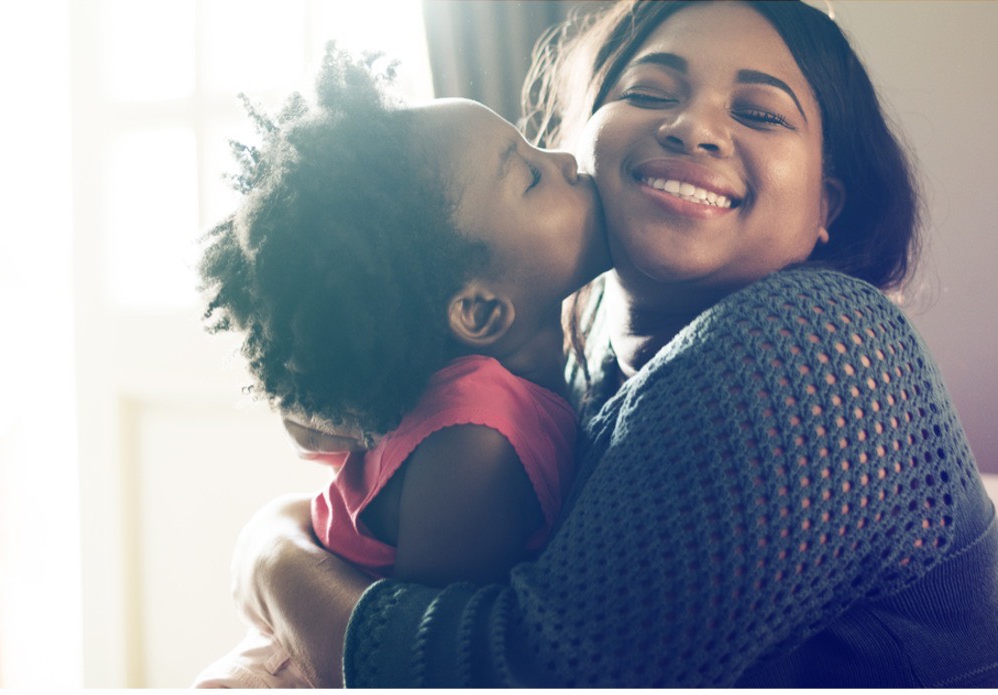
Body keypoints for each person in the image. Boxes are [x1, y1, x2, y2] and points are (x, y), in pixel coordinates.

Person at [226, 0, 998, 688]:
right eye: (650, 92)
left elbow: (523, 676)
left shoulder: (815, 344)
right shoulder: (579, 357)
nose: (693, 126)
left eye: (761, 113)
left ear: (826, 204)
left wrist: (271, 556)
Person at [190, 45, 609, 688]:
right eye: (529, 176)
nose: (566, 159)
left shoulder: (483, 391)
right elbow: (422, 661)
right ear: (478, 309)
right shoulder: (478, 436)